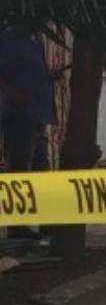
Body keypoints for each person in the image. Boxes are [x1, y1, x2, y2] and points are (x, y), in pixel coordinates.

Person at [0, 28, 54, 240]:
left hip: (38, 112)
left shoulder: (36, 36)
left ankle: (46, 222)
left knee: (41, 166)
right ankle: (17, 226)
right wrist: (14, 95)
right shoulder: (8, 35)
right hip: (18, 114)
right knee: (19, 166)